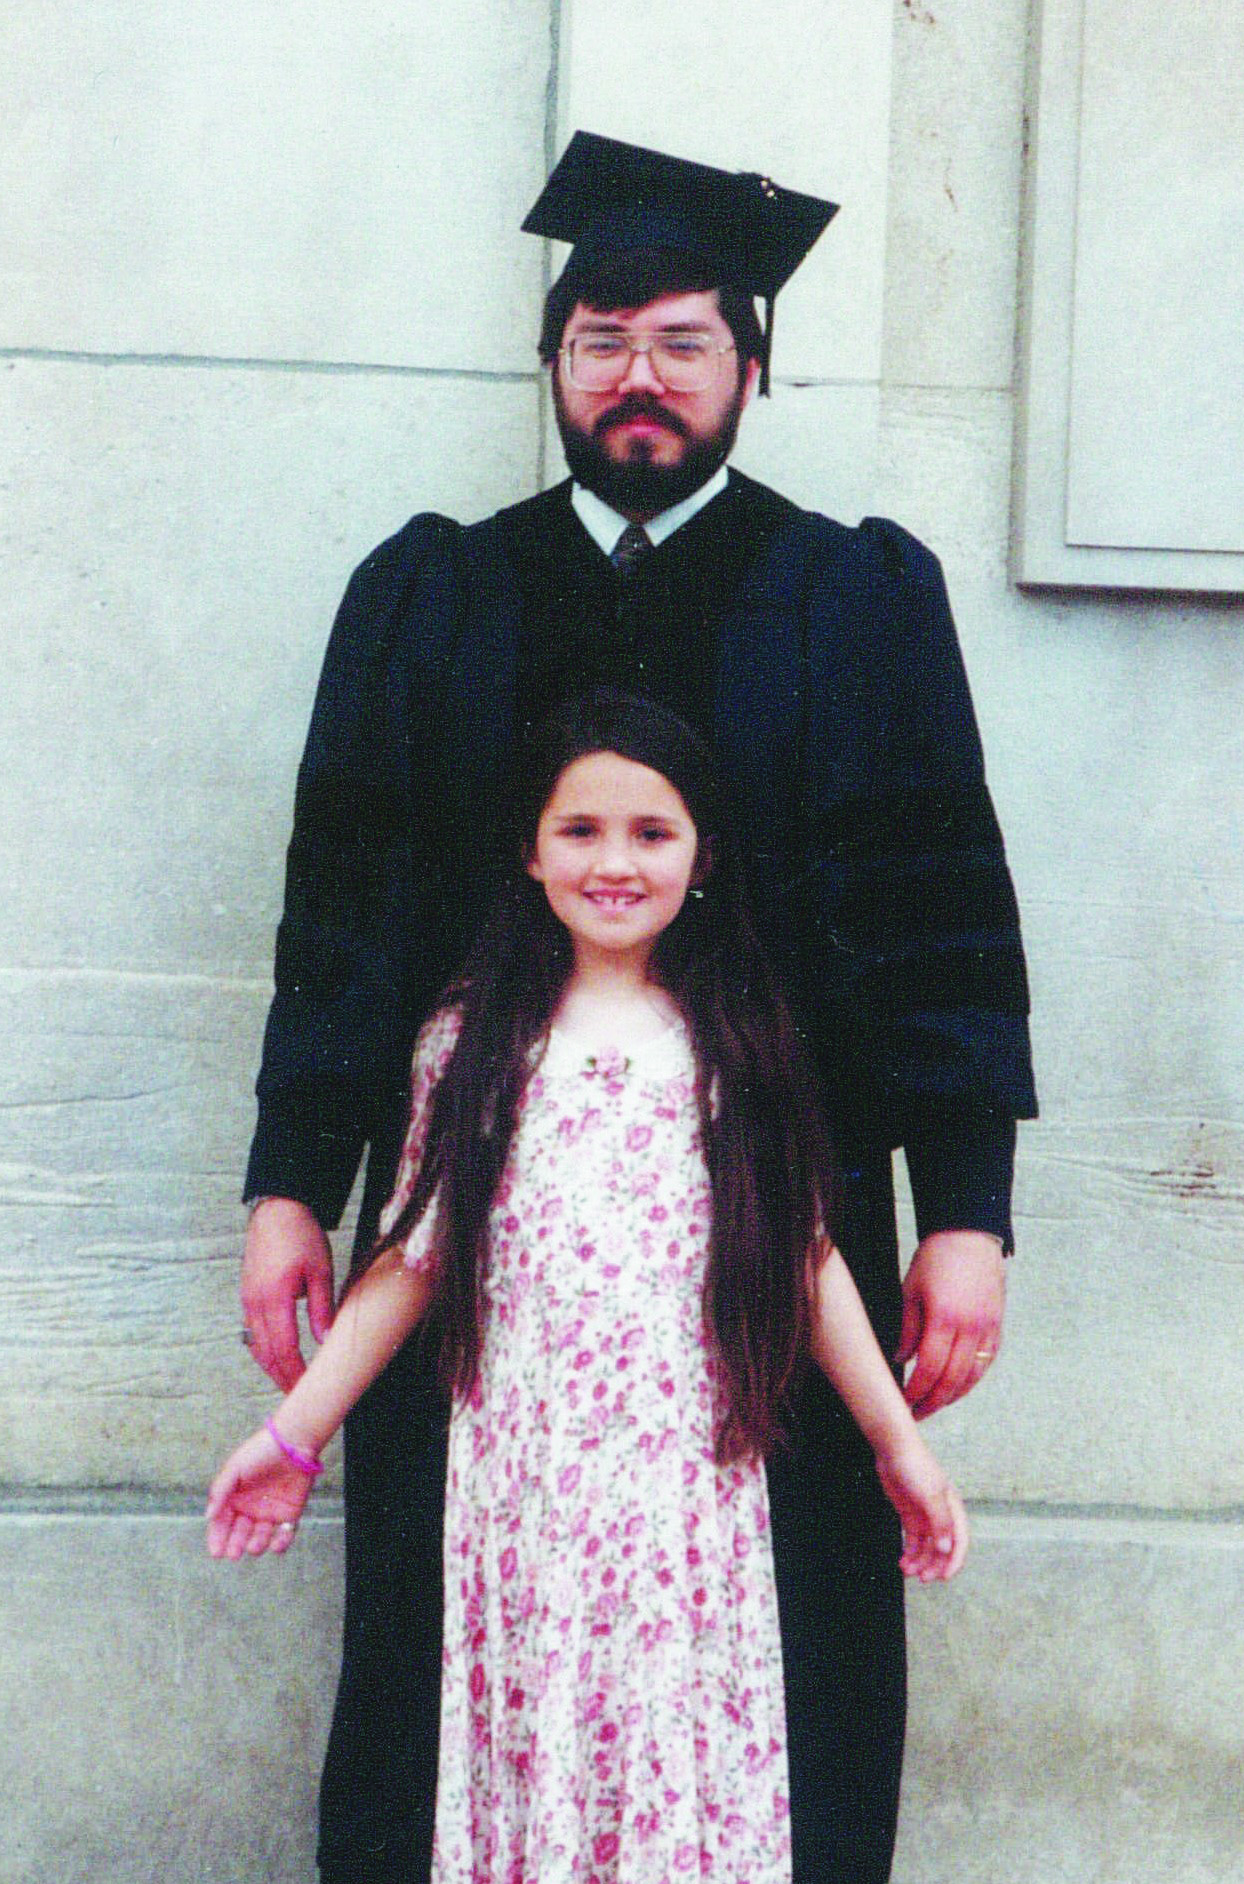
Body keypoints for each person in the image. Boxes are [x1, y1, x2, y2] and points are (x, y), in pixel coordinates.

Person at [240, 134, 1036, 1883]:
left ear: (751, 362)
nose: (638, 378)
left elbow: (935, 910)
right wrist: (291, 1177)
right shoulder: (438, 593)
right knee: (453, 1621)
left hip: (782, 1204)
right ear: (553, 366)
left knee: (789, 1623)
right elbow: (345, 908)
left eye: (680, 339)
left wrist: (963, 1212)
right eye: (599, 338)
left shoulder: (852, 598)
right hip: (481, 1222)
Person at [214, 693, 969, 1882]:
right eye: (578, 830)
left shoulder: (738, 1041)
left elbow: (807, 1255)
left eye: (650, 833)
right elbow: (408, 1261)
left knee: (679, 1766)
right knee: (534, 1758)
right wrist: (294, 1436)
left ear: (701, 855)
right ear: (528, 849)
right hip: (522, 1494)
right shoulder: (469, 1047)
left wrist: (896, 1444)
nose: (613, 861)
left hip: (685, 1497)